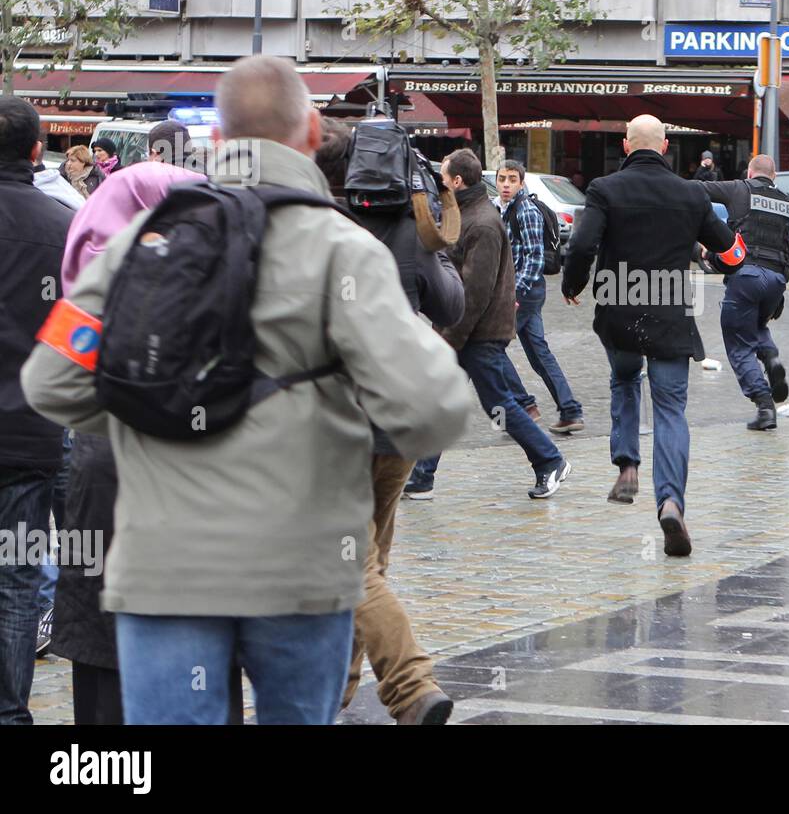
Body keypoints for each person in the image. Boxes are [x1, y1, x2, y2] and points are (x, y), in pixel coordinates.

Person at [21, 55, 476, 725]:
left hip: (163, 571)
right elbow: (435, 406)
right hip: (302, 570)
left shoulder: (140, 241)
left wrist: (146, 411)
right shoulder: (341, 251)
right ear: (313, 133)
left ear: (220, 141)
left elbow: (52, 378)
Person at [314, 118, 466, 724]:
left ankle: (407, 685)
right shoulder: (410, 229)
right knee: (369, 551)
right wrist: (436, 248)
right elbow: (450, 305)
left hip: (336, 420)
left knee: (352, 562)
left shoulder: (314, 228)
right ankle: (340, 690)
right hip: (397, 420)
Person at [47, 161, 203, 725]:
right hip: (193, 473)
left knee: (101, 626)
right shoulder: (212, 281)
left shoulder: (88, 288)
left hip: (104, 462)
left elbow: (59, 372)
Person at [561, 114, 737, 556]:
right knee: (671, 408)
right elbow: (725, 247)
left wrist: (573, 284)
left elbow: (581, 246)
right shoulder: (691, 192)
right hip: (670, 316)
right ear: (664, 147)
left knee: (624, 380)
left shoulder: (604, 189)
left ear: (625, 146)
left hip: (619, 311)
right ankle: (671, 502)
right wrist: (737, 258)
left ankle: (626, 467)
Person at [423, 149, 573, 500]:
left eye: (444, 178)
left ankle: (550, 459)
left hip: (479, 332)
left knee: (499, 404)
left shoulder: (482, 222)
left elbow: (475, 291)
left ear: (457, 181)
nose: (441, 184)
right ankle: (420, 476)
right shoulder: (466, 214)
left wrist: (450, 336)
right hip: (467, 331)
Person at [0, 96, 74, 725]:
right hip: (29, 429)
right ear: (34, 153)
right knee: (16, 579)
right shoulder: (62, 227)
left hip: (29, 434)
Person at [702, 154, 789, 430]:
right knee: (755, 325)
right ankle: (770, 355)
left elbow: (699, 189)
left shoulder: (739, 188)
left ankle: (764, 405)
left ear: (750, 172)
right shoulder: (787, 202)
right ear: (774, 175)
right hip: (777, 278)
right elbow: (788, 247)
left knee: (739, 343)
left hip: (746, 275)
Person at [495, 160, 584, 434]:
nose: (506, 184)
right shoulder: (504, 209)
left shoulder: (526, 210)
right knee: (538, 352)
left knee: (490, 349)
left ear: (521, 183)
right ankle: (570, 410)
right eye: (502, 179)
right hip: (523, 292)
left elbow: (534, 257)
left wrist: (515, 294)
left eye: (512, 179)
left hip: (524, 291)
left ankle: (524, 406)